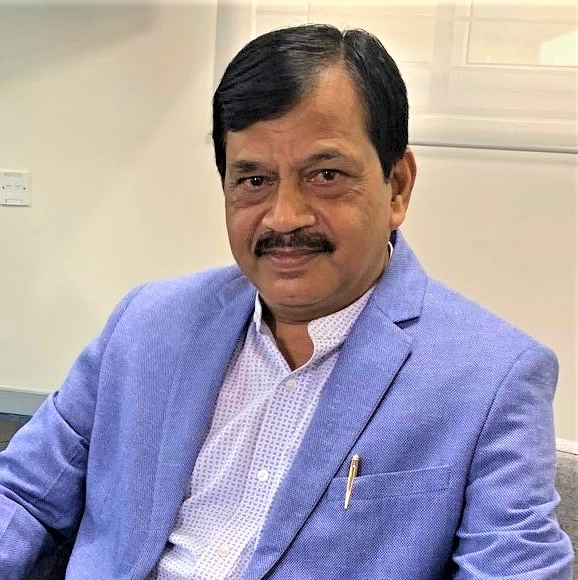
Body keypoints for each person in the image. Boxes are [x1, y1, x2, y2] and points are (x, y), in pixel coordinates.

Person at [0, 24, 573, 580]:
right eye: (254, 180)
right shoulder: (147, 322)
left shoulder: (492, 378)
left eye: (325, 174)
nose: (283, 217)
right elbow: (23, 494)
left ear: (397, 186)